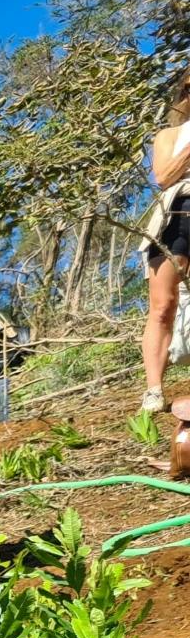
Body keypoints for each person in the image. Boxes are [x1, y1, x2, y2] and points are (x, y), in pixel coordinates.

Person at [139, 71, 190, 415]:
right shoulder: (169, 135)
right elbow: (162, 177)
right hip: (178, 211)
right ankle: (154, 391)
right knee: (162, 305)